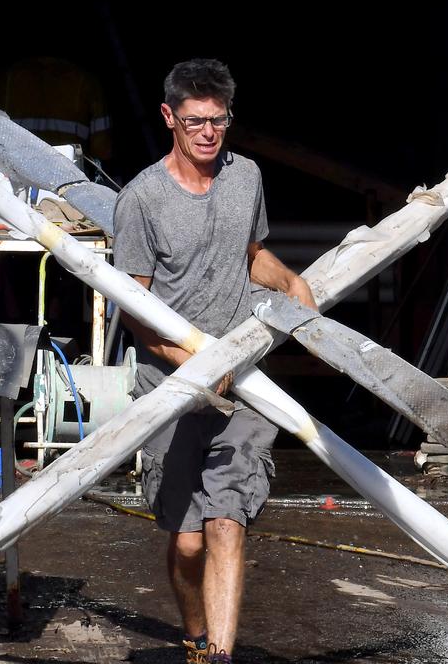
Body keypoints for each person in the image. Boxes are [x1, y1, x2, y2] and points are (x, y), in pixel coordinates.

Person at [112, 59, 316, 663]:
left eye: (218, 122)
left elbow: (248, 253)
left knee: (228, 520)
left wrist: (290, 281)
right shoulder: (141, 200)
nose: (208, 134)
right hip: (170, 385)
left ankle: (218, 657)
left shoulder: (245, 176)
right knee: (189, 541)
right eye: (195, 121)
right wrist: (193, 363)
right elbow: (135, 310)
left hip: (244, 380)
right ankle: (196, 632)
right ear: (169, 118)